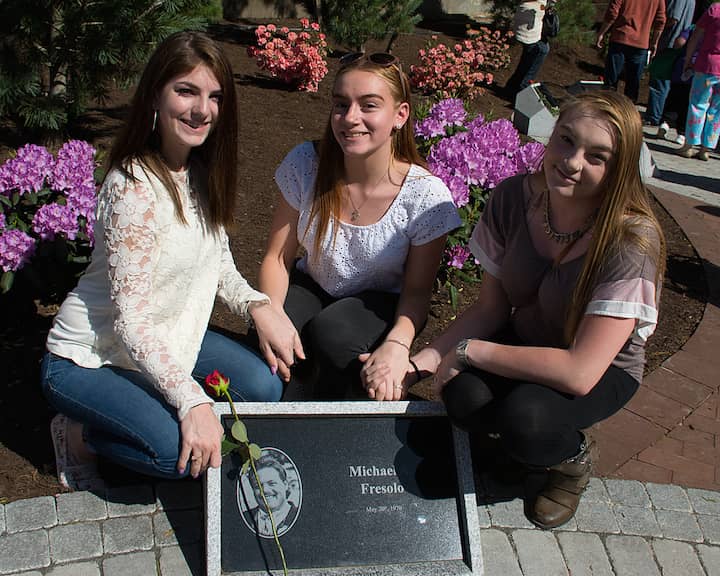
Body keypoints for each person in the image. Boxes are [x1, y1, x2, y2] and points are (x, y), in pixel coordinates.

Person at [405, 91, 666, 529]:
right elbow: (491, 309)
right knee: (463, 397)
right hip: (526, 341)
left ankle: (571, 460)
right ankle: (510, 455)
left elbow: (579, 372)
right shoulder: (512, 198)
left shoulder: (630, 242)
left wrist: (469, 352)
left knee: (527, 418)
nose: (572, 161)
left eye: (597, 156)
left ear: (618, 169)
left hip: (599, 368)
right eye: (566, 140)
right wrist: (418, 363)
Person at [40, 31, 288, 490]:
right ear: (156, 93)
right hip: (90, 359)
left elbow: (219, 265)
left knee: (264, 391)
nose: (202, 110)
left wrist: (259, 307)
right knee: (179, 454)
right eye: (186, 91)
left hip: (170, 339)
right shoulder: (132, 187)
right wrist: (192, 402)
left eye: (214, 97)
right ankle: (78, 434)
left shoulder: (198, 171)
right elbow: (132, 322)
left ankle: (148, 409)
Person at [257, 52, 461, 401]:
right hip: (315, 282)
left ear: (400, 115)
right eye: (341, 104)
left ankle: (337, 418)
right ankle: (278, 415)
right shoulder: (307, 164)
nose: (350, 118)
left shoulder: (424, 196)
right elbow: (278, 257)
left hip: (381, 300)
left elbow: (416, 292)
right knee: (276, 335)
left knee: (332, 336)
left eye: (369, 105)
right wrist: (270, 312)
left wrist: (398, 344)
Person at [597, 0, 667, 103]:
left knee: (611, 81)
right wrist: (654, 42)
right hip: (641, 43)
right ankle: (628, 114)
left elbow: (612, 13)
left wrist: (602, 32)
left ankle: (608, 109)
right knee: (633, 84)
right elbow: (661, 20)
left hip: (620, 39)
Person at [678, 2, 720, 160]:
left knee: (698, 104)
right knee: (717, 110)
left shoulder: (715, 9)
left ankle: (689, 145)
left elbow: (696, 36)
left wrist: (688, 60)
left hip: (707, 65)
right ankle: (706, 149)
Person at [645, 0, 696, 129]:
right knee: (669, 84)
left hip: (670, 41)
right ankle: (661, 117)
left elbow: (673, 18)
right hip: (678, 45)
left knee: (659, 81)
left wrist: (655, 29)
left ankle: (653, 117)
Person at [504, 1, 553, 98]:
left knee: (531, 53)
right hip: (528, 21)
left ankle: (512, 87)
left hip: (535, 20)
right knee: (540, 50)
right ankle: (521, 89)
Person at [242, 455, 299, 537]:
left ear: (285, 484)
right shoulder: (245, 518)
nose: (265, 490)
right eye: (258, 486)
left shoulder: (298, 516)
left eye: (272, 483)